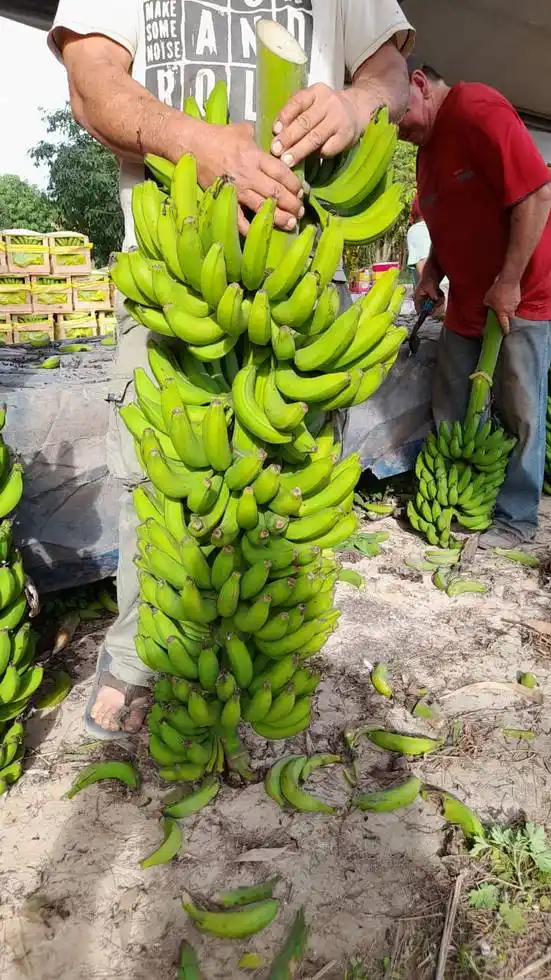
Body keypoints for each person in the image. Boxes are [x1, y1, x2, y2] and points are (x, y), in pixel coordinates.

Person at [48, 0, 415, 738]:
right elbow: (90, 76)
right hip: (179, 270)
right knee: (157, 482)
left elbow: (389, 69)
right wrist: (191, 142)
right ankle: (136, 655)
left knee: (288, 480)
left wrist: (357, 101)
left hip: (303, 272)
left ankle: (265, 653)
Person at [399, 61, 551, 549]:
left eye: (396, 116)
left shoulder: (475, 108)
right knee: (450, 402)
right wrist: (430, 273)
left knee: (521, 408)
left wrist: (508, 281)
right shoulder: (425, 153)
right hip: (467, 300)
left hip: (521, 296)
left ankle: (516, 517)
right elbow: (451, 221)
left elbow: (535, 195)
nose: (397, 132)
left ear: (419, 84)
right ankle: (451, 498)